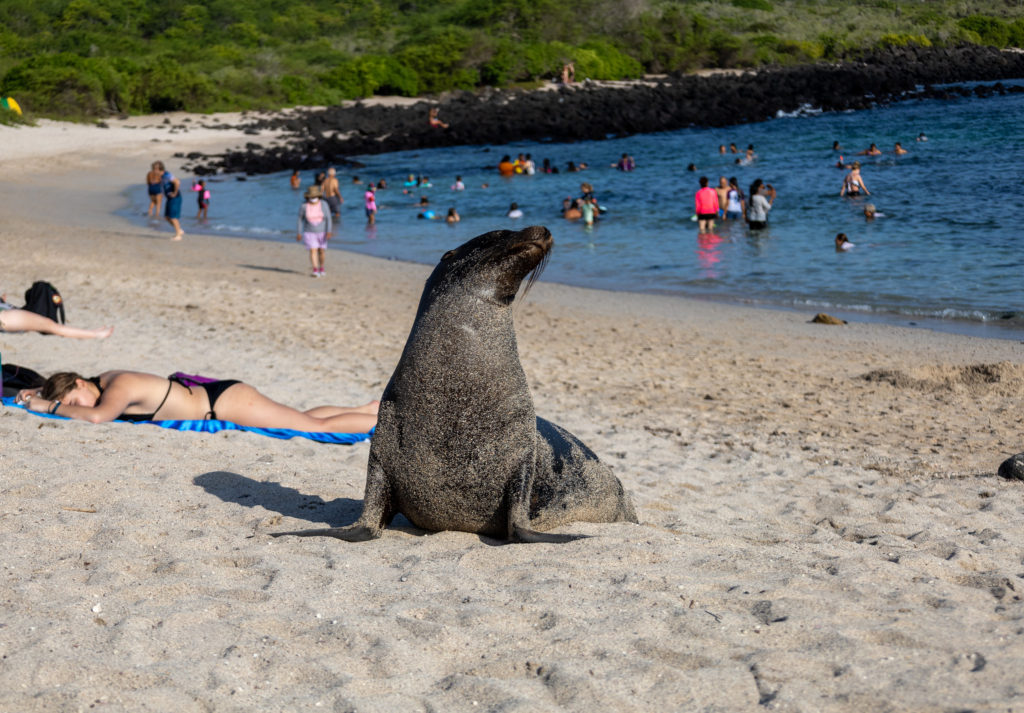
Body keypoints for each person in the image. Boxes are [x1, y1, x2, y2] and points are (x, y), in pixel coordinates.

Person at [17, 370, 379, 433]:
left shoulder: (118, 386)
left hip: (225, 403)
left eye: (74, 400)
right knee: (299, 416)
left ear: (81, 381)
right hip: (220, 395)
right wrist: (33, 394)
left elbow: (99, 417)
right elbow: (90, 408)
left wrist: (47, 406)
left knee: (315, 426)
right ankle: (370, 408)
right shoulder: (105, 381)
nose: (76, 408)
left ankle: (388, 421)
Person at [0, 293, 112, 339]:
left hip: (6, 315)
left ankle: (93, 334)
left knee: (50, 325)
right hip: (6, 318)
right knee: (51, 326)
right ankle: (94, 334)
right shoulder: (9, 318)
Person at [296, 185, 332, 277]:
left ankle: (322, 267)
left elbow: (328, 218)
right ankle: (315, 270)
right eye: (311, 197)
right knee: (313, 250)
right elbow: (300, 219)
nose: (313, 198)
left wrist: (329, 231)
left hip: (322, 232)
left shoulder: (324, 204)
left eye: (314, 196)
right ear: (308, 197)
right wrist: (299, 232)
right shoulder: (304, 206)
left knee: (321, 251)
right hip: (309, 232)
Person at [162, 168, 184, 241]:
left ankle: (178, 235)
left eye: (155, 170)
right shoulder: (162, 177)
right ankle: (179, 230)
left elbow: (177, 182)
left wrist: (175, 192)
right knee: (167, 217)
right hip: (169, 198)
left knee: (173, 217)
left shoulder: (167, 175)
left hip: (175, 198)